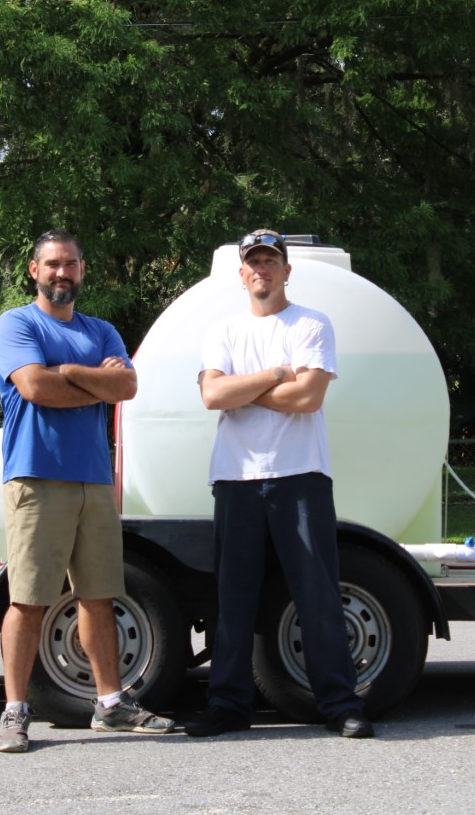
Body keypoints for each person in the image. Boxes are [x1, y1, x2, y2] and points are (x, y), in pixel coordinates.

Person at [0, 229, 175, 753]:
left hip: (94, 479)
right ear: (34, 270)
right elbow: (34, 387)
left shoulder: (101, 330)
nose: (62, 272)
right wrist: (92, 379)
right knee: (29, 600)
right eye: (52, 264)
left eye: (70, 263)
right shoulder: (16, 324)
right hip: (36, 476)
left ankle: (111, 705)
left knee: (99, 596)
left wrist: (67, 371)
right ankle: (14, 712)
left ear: (82, 269)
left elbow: (126, 387)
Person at [186, 229, 374, 739]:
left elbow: (308, 399)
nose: (261, 269)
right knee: (233, 600)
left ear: (286, 271)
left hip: (300, 475)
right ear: (241, 273)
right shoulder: (223, 330)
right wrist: (275, 375)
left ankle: (340, 704)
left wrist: (241, 391)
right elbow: (211, 396)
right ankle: (228, 705)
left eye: (270, 260)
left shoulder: (312, 323)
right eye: (254, 262)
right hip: (236, 478)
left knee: (317, 596)